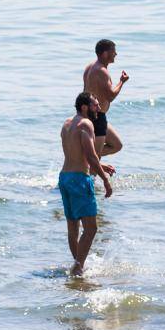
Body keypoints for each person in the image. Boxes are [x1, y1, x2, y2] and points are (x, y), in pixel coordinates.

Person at [59, 92, 115, 277]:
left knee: (73, 227)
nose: (98, 108)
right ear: (84, 107)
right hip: (79, 179)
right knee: (91, 228)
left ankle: (78, 266)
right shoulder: (86, 124)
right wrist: (105, 180)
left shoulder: (68, 124)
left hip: (65, 177)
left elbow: (76, 153)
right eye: (95, 105)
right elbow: (90, 156)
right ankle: (77, 267)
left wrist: (101, 165)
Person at [82, 38, 129, 159]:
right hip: (97, 117)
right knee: (96, 156)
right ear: (105, 53)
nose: (116, 54)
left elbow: (85, 93)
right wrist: (121, 82)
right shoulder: (102, 71)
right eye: (113, 51)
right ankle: (85, 155)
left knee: (117, 145)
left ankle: (84, 153)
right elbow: (111, 96)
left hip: (89, 114)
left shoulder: (90, 67)